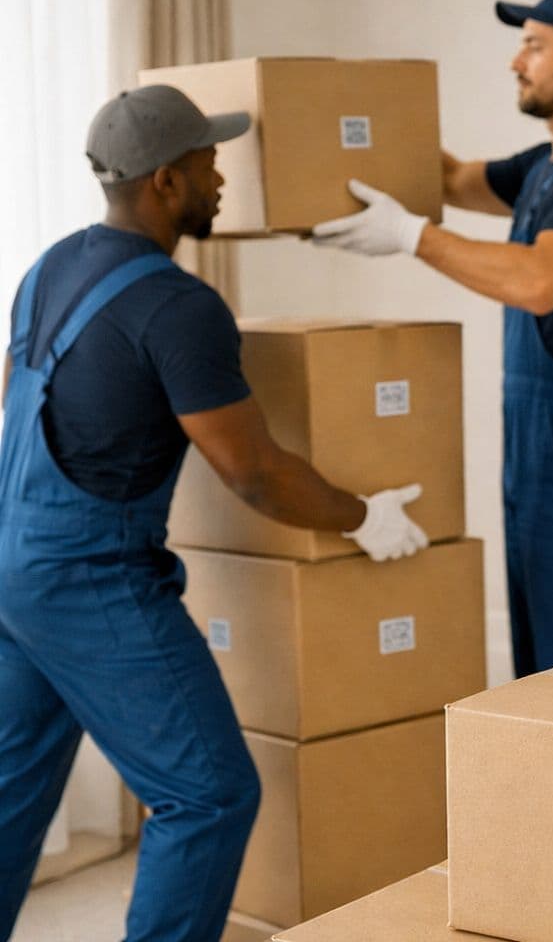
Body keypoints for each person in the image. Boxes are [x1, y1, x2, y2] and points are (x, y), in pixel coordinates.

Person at [0, 84, 428, 942]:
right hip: (91, 580)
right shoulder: (179, 307)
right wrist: (361, 517)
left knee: (9, 790)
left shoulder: (48, 267)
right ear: (164, 182)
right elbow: (255, 474)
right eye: (207, 162)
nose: (222, 176)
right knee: (209, 794)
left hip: (14, 560)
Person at [312, 0, 553, 679]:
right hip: (539, 446)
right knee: (538, 675)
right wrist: (351, 110)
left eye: (534, 46)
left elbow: (541, 281)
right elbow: (445, 175)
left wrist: (411, 236)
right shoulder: (546, 168)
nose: (515, 62)